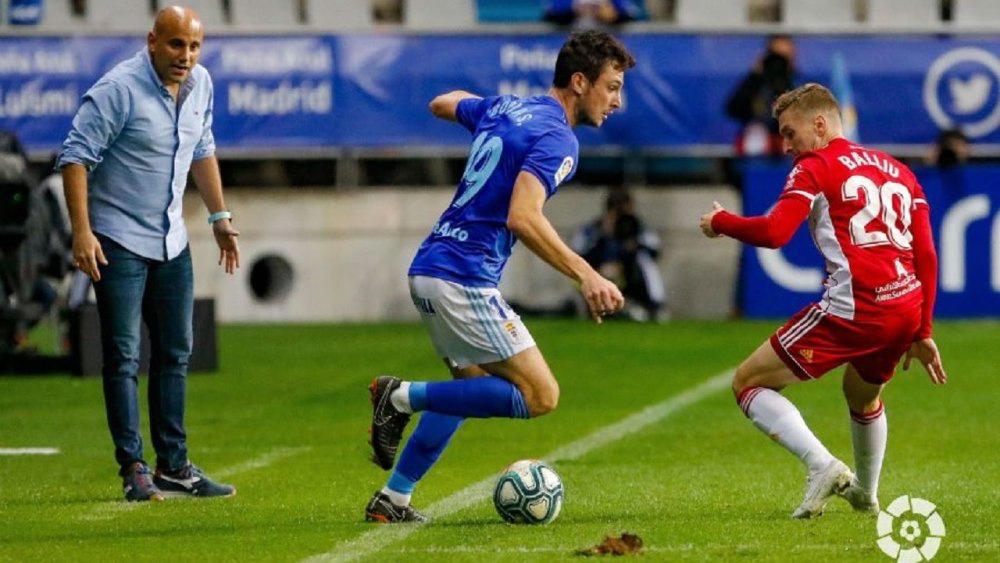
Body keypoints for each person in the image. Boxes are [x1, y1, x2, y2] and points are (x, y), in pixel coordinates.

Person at [365, 30, 636, 523]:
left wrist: (490, 110)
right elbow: (523, 217)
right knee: (541, 395)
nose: (617, 101)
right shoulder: (559, 138)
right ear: (579, 82)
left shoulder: (508, 108)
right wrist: (587, 275)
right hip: (463, 276)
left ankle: (393, 499)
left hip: (430, 267)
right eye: (612, 87)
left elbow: (440, 103)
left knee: (468, 388)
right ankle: (399, 396)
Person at [699, 83, 948, 519]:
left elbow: (776, 232)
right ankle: (866, 494)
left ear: (819, 124)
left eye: (789, 133)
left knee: (748, 383)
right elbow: (925, 253)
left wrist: (721, 221)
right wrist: (923, 330)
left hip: (855, 307)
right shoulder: (898, 170)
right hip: (904, 307)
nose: (786, 145)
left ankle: (821, 465)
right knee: (861, 395)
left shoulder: (815, 166)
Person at [56, 5, 239, 502]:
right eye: (177, 44)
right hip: (117, 240)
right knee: (122, 356)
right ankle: (133, 468)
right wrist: (82, 233)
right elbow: (74, 158)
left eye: (195, 46)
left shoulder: (201, 84)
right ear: (152, 41)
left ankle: (174, 466)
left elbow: (202, 148)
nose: (186, 56)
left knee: (176, 351)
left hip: (171, 240)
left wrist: (220, 218)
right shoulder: (118, 89)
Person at [572, 186, 666, 321]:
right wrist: (605, 235)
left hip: (631, 276)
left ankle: (650, 306)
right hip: (601, 272)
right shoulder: (594, 228)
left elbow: (654, 250)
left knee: (643, 261)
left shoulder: (639, 228)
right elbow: (578, 252)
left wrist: (633, 244)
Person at [724, 34, 797, 158]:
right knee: (755, 136)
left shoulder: (800, 84)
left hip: (787, 145)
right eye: (776, 57)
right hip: (758, 143)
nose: (778, 64)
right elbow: (733, 108)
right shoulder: (756, 83)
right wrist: (754, 76)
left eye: (785, 58)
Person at [543, 0, 646, 27]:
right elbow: (550, 15)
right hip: (571, 45)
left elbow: (630, 15)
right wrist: (574, 12)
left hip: (606, 46)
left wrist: (614, 16)